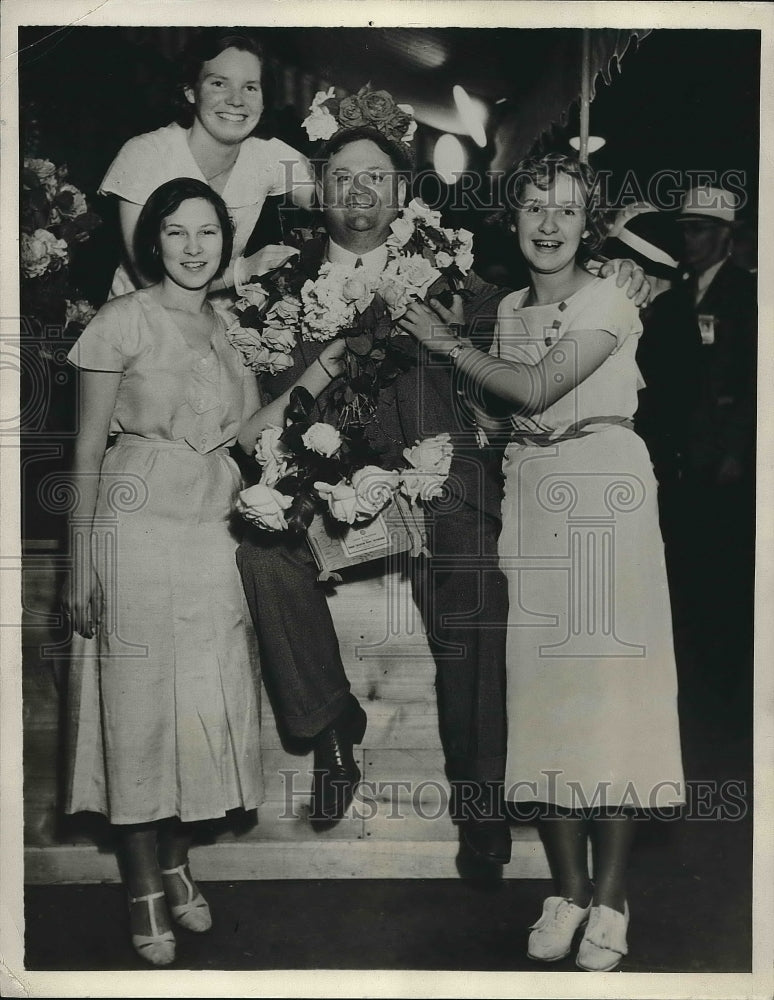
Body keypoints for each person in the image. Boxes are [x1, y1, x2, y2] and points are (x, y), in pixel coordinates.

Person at [235, 100, 650, 864]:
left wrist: (614, 269)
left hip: (440, 488)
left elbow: (541, 311)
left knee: (478, 595)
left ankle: (482, 795)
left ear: (402, 192)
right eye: (343, 178)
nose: (360, 191)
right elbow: (260, 409)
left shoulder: (453, 273)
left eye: (378, 178)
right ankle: (332, 729)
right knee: (260, 554)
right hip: (337, 490)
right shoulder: (277, 289)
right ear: (320, 191)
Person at [399, 153, 685, 970]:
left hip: (605, 491)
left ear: (588, 225)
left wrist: (445, 341)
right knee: (546, 694)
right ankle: (565, 890)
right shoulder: (510, 310)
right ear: (512, 218)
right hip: (533, 493)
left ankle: (614, 897)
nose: (548, 224)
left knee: (609, 693)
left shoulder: (608, 297)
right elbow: (507, 420)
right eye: (533, 208)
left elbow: (537, 388)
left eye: (565, 210)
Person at [62, 177, 345, 966]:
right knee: (138, 709)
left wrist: (326, 367)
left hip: (211, 533)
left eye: (209, 234)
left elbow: (250, 432)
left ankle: (178, 858)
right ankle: (144, 886)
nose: (194, 248)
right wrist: (80, 559)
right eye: (178, 234)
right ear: (154, 241)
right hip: (136, 528)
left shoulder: (227, 329)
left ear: (226, 244)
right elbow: (85, 447)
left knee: (199, 710)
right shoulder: (121, 322)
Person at [99, 29, 314, 304]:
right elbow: (150, 282)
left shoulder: (267, 154)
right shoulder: (144, 155)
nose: (236, 100)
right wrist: (241, 271)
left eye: (250, 87)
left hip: (218, 320)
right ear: (190, 91)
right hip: (141, 317)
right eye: (219, 84)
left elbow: (339, 201)